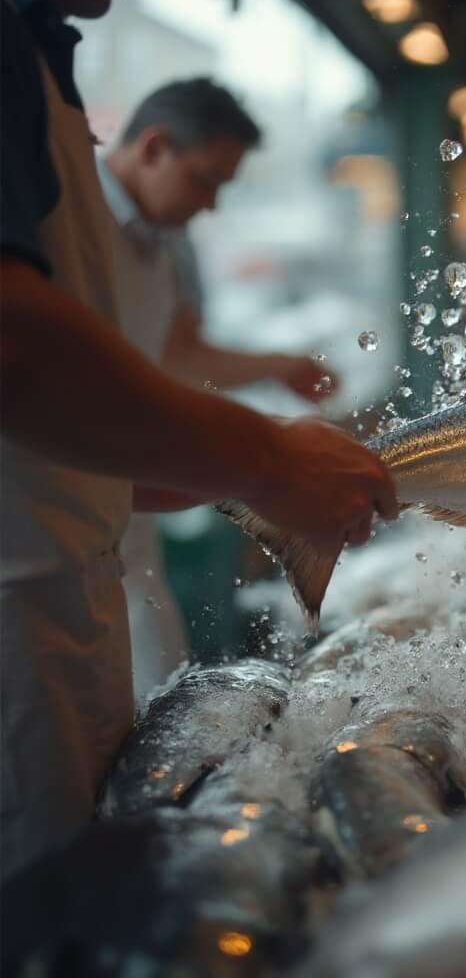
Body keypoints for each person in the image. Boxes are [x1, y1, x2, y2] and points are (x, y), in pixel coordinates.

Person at [0, 0, 396, 881]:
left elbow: (148, 380)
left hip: (82, 569)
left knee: (98, 862)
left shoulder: (44, 59)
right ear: (151, 150)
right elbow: (19, 353)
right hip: (19, 598)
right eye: (205, 178)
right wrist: (263, 463)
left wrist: (250, 472)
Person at [97, 78, 340, 701]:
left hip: (129, 516)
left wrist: (279, 366)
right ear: (154, 148)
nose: (210, 206)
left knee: (154, 691)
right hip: (64, 500)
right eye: (204, 181)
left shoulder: (172, 240)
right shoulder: (67, 214)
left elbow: (177, 357)